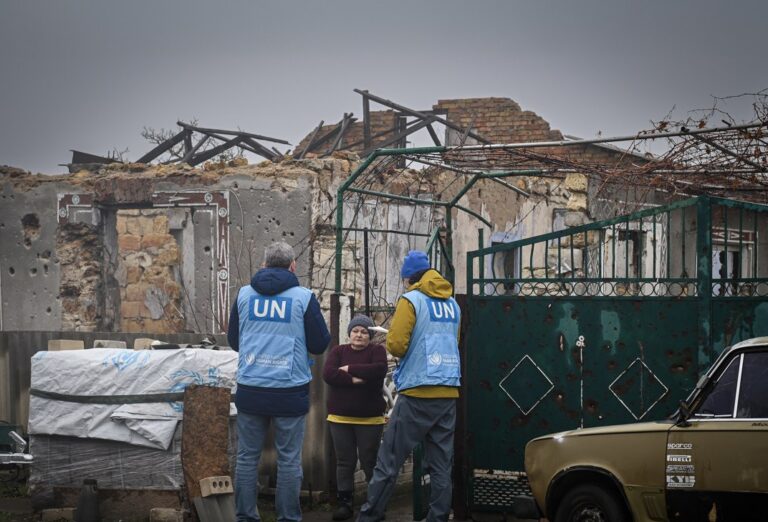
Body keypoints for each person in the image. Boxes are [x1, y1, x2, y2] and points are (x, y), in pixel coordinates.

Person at [228, 241, 331, 522]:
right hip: (289, 390)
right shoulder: (303, 298)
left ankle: (246, 517)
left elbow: (234, 341)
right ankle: (287, 518)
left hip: (251, 389)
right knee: (288, 460)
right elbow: (321, 343)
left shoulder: (244, 295)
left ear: (263, 264)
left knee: (247, 458)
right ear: (293, 265)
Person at [357, 251, 461, 522]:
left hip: (417, 391)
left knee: (389, 460)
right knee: (441, 466)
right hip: (448, 390)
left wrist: (392, 336)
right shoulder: (452, 304)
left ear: (407, 277)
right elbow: (454, 340)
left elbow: (397, 345)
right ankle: (437, 518)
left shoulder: (411, 300)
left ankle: (370, 516)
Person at [323, 315, 388, 520]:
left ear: (369, 335)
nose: (359, 335)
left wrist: (349, 369)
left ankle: (375, 504)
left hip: (370, 419)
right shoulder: (338, 351)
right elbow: (328, 374)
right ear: (349, 333)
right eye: (355, 331)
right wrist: (358, 380)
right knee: (345, 462)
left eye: (363, 332)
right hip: (340, 418)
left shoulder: (377, 351)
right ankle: (345, 504)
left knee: (370, 462)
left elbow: (379, 371)